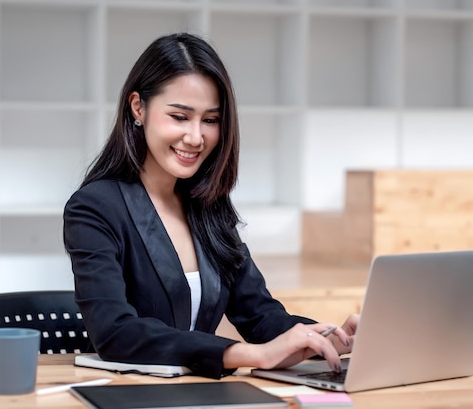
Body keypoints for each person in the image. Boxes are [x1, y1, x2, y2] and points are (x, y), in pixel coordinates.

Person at [63, 32, 359, 380]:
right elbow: (116, 333)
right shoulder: (95, 208)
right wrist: (248, 354)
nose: (195, 137)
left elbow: (260, 315)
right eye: (179, 116)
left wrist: (328, 338)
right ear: (138, 108)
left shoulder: (207, 205)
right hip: (129, 394)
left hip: (202, 394)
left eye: (210, 120)